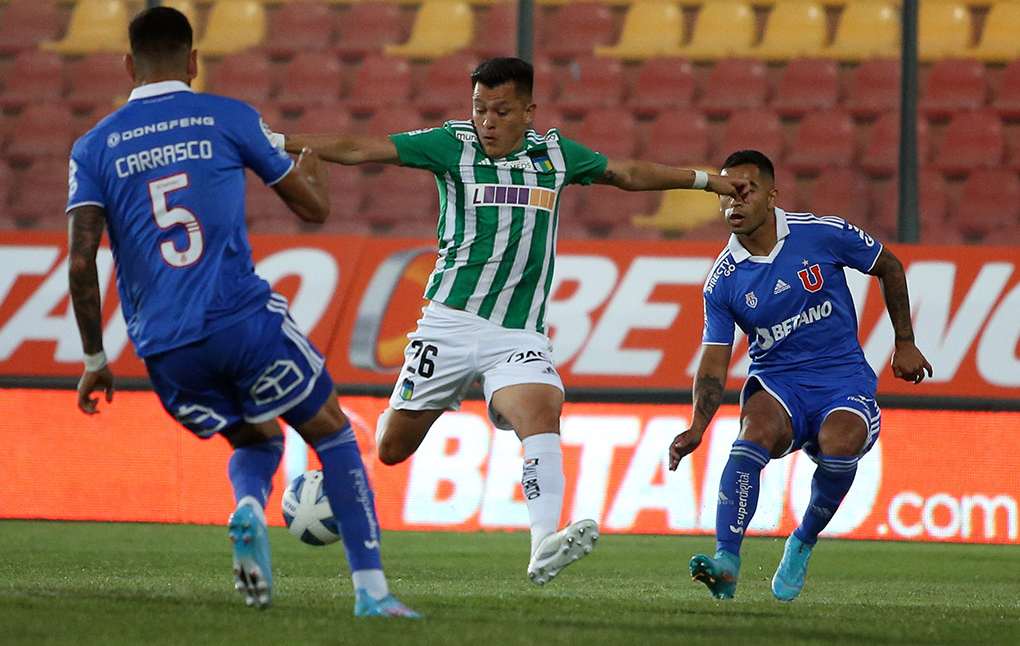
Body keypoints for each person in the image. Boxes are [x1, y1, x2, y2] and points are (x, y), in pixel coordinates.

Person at [272, 57, 750, 585]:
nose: (488, 122)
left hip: (516, 334)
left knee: (543, 409)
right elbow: (365, 148)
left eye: (501, 110)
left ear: (528, 110)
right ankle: (354, 461)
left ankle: (544, 541)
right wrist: (282, 142)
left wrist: (709, 182)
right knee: (391, 450)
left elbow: (627, 173)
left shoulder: (555, 156)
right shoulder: (452, 146)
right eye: (479, 109)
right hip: (446, 325)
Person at [66, 6, 419, 617]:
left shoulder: (94, 148)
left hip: (164, 348)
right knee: (331, 431)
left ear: (129, 65)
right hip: (240, 319)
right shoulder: (228, 118)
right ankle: (372, 593)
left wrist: (96, 358)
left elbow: (79, 264)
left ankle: (249, 508)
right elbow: (311, 210)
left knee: (256, 439)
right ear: (194, 60)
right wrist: (317, 173)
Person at [668, 150, 933, 601]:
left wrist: (904, 341)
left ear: (772, 195)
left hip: (842, 378)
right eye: (726, 194)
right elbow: (714, 361)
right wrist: (697, 425)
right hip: (778, 379)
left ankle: (802, 540)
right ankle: (727, 562)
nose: (734, 202)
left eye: (745, 191)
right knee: (753, 432)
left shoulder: (821, 233)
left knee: (840, 444)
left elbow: (888, 264)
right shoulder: (722, 280)